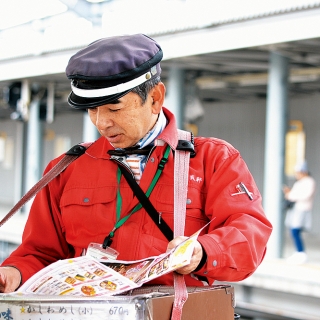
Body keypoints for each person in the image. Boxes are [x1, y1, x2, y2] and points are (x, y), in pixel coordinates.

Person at [0, 34, 272, 293]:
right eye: (92, 110)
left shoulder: (214, 159)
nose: (101, 123)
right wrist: (12, 274)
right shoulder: (65, 169)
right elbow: (40, 252)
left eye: (114, 109)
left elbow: (250, 235)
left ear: (154, 98)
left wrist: (203, 251)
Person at [283, 160, 316, 264]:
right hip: (296, 209)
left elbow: (304, 195)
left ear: (304, 172)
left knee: (295, 230)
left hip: (302, 209)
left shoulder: (310, 182)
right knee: (294, 231)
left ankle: (301, 252)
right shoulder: (299, 182)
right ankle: (298, 252)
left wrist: (291, 195)